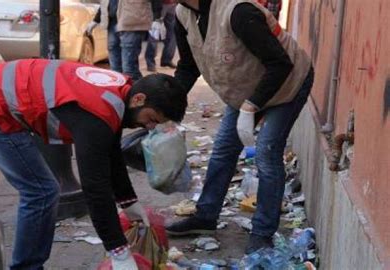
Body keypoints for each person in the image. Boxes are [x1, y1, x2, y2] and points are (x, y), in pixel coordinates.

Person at [0, 59, 187, 270]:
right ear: (139, 100)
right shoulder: (96, 114)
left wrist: (129, 204)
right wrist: (119, 251)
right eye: (152, 119)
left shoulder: (119, 91)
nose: (148, 127)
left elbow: (111, 155)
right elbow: (95, 187)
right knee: (42, 192)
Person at [166, 0, 314, 254]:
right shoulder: (182, 15)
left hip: (286, 85)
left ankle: (262, 233)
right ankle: (205, 217)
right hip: (244, 89)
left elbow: (281, 64)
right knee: (223, 150)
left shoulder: (238, 11)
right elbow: (189, 67)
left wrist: (251, 107)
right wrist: (166, 107)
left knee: (267, 154)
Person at [86, 0, 162, 81]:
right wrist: (96, 19)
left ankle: (136, 89)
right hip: (112, 21)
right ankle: (121, 89)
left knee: (129, 68)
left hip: (132, 20)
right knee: (115, 68)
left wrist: (156, 18)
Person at [144, 0, 178, 72]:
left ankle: (167, 60)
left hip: (173, 4)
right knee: (154, 35)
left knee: (172, 33)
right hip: (159, 5)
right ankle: (150, 63)